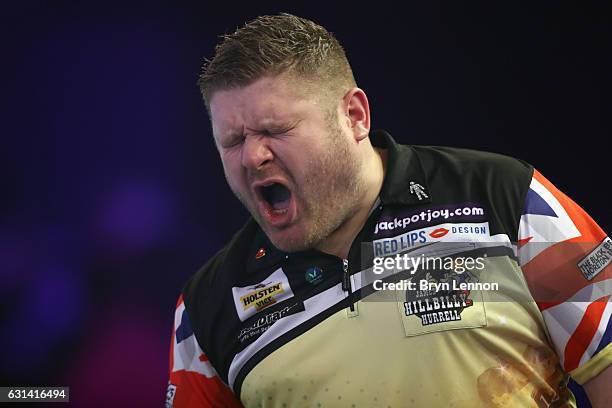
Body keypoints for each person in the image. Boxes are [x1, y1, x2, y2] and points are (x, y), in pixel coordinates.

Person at [166, 13, 610, 408]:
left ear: (355, 116)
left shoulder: (502, 195)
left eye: (274, 129)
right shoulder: (207, 307)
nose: (252, 157)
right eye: (233, 141)